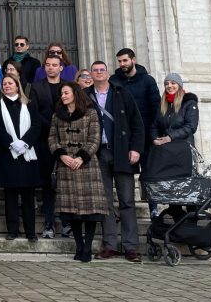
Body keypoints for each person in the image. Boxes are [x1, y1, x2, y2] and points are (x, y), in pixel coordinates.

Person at [85, 61, 144, 263]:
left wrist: (135, 148)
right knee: (105, 203)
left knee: (127, 200)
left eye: (102, 70)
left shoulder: (122, 93)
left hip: (122, 153)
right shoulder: (85, 96)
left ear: (108, 73)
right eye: (95, 70)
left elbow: (137, 122)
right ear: (90, 74)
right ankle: (109, 245)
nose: (99, 73)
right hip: (98, 154)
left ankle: (131, 247)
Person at [48, 82, 107, 262]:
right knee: (72, 211)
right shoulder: (57, 116)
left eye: (66, 93)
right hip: (66, 166)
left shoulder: (90, 113)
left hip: (87, 166)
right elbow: (52, 138)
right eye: (61, 94)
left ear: (75, 93)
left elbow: (95, 137)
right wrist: (61, 155)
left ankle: (87, 248)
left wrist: (81, 157)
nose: (63, 96)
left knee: (90, 212)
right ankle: (79, 246)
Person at [0, 74, 42, 242]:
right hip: (7, 154)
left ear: (17, 85)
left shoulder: (29, 104)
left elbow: (36, 126)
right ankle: (12, 230)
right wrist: (11, 143)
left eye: (10, 83)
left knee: (28, 195)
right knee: (10, 196)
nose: (7, 86)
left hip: (26, 155)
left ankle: (30, 232)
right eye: (4, 84)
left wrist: (24, 143)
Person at [111, 47, 161, 216]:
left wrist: (154, 133)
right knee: (123, 173)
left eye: (125, 60)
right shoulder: (114, 80)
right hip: (122, 137)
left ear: (133, 60)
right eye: (119, 61)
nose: (122, 64)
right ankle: (124, 207)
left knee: (148, 172)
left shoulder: (148, 80)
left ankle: (153, 207)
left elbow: (156, 108)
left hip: (145, 134)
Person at [145, 73, 199, 218]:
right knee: (172, 194)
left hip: (184, 154)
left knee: (187, 192)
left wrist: (170, 137)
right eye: (167, 83)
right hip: (168, 154)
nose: (169, 86)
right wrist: (155, 138)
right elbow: (155, 125)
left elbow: (191, 126)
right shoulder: (163, 104)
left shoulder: (189, 103)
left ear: (179, 85)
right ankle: (177, 229)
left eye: (173, 83)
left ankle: (190, 228)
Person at [29, 54, 63, 238]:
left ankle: (66, 223)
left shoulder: (68, 86)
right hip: (43, 140)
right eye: (48, 65)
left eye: (54, 65)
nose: (51, 68)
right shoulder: (36, 87)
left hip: (66, 141)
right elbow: (34, 111)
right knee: (48, 185)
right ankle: (49, 223)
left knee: (65, 184)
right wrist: (51, 126)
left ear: (61, 67)